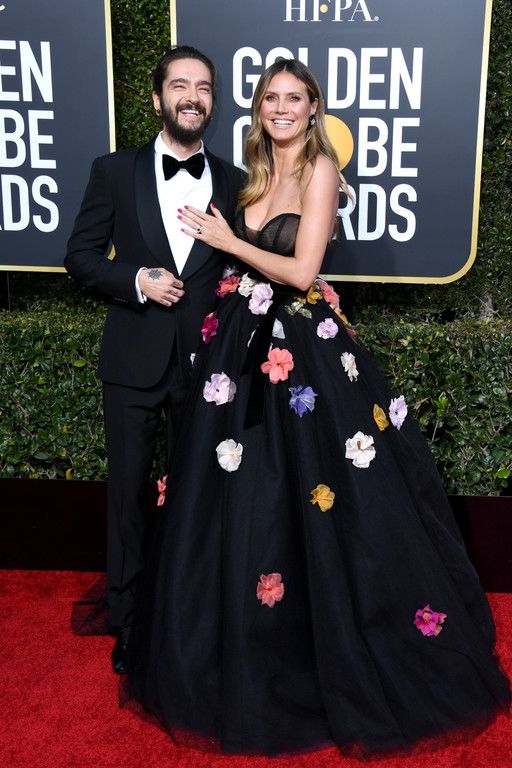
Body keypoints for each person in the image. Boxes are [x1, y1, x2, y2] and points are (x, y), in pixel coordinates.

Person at [125, 59, 509, 756]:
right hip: (240, 350)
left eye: (294, 99)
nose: (281, 108)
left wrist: (230, 243)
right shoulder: (255, 175)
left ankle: (331, 643)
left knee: (313, 493)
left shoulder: (320, 170)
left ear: (313, 108)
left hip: (300, 356)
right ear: (258, 110)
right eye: (270, 98)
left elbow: (302, 271)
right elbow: (252, 266)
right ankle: (244, 640)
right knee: (247, 499)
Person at [65, 46, 245, 674]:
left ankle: (193, 616)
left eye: (203, 87)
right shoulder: (114, 170)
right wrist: (137, 280)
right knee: (128, 495)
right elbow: (80, 256)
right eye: (179, 85)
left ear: (213, 103)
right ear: (157, 98)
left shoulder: (236, 182)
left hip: (209, 366)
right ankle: (129, 620)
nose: (192, 96)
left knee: (204, 494)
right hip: (133, 361)